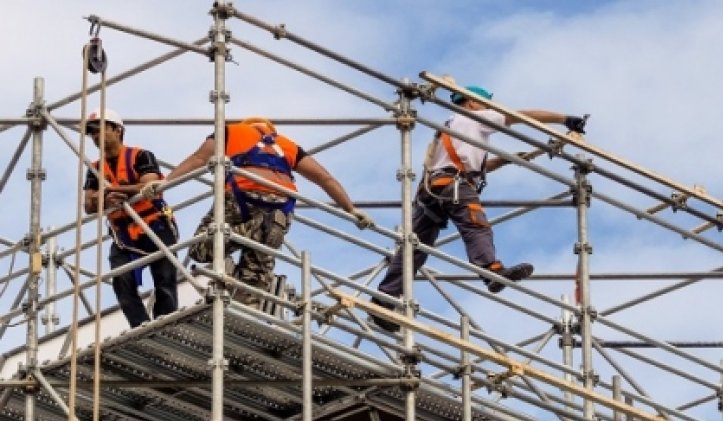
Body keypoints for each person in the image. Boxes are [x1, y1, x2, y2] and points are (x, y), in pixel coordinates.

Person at [369, 85, 588, 332]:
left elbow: (466, 164)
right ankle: (491, 271)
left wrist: (502, 160)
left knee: (413, 249)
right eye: (485, 105)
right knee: (476, 225)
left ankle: (383, 300)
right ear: (472, 103)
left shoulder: (451, 125)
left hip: (433, 189)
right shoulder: (475, 117)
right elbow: (519, 116)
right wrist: (564, 119)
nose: (488, 110)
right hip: (454, 186)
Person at [147, 117, 371, 308]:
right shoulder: (288, 145)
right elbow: (324, 178)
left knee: (200, 249)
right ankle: (245, 314)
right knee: (256, 275)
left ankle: (240, 236)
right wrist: (351, 209)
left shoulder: (231, 130)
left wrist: (164, 183)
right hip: (281, 206)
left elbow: (199, 158)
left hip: (240, 195)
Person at [82, 108, 179, 328]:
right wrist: (106, 197)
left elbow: (150, 185)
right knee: (122, 282)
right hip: (123, 233)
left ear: (118, 130)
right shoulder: (95, 169)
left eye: (100, 130)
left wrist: (116, 190)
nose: (96, 137)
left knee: (164, 278)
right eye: (92, 133)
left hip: (153, 224)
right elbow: (88, 205)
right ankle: (142, 327)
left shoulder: (141, 156)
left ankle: (167, 325)